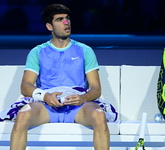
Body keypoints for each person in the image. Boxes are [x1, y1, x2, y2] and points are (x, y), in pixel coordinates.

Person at [10, 4, 110, 150]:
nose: (66, 22)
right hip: (46, 105)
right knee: (22, 115)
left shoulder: (85, 50)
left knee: (100, 115)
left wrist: (83, 98)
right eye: (60, 19)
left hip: (78, 105)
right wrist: (45, 96)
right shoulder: (37, 52)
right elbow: (25, 86)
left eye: (67, 18)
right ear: (49, 26)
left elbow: (96, 88)